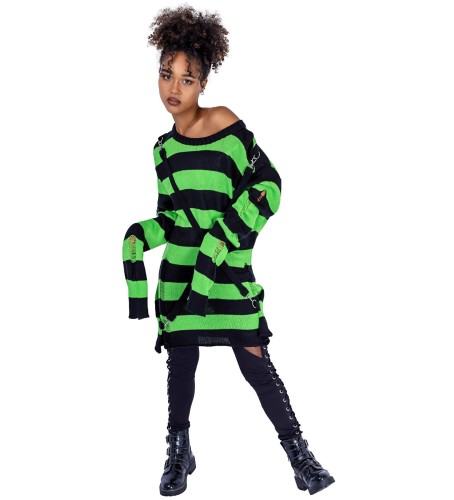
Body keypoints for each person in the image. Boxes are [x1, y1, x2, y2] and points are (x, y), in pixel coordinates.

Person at [122, 4, 335, 497]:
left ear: (203, 83)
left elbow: (269, 186)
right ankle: (179, 450)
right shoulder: (162, 150)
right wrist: (136, 239)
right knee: (181, 362)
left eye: (187, 78)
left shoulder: (226, 125)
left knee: (255, 361)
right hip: (181, 276)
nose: (174, 88)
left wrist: (223, 238)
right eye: (166, 74)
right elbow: (172, 217)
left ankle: (298, 454)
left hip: (226, 272)